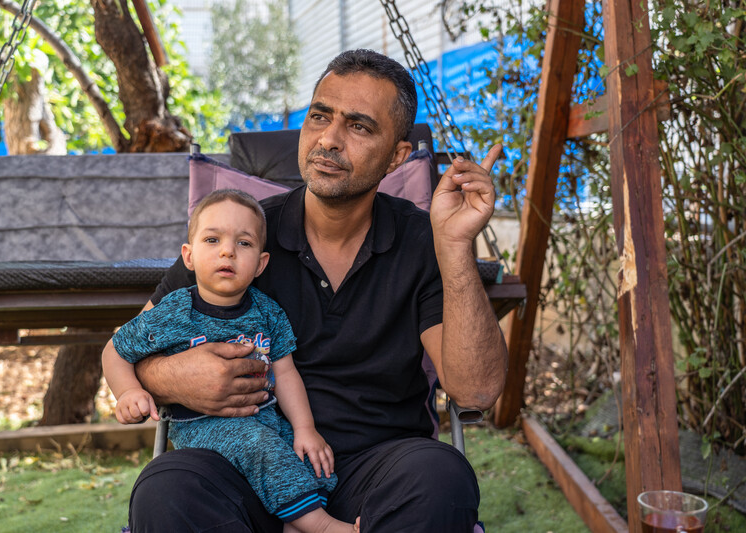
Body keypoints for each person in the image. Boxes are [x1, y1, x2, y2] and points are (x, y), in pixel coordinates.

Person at [102, 48, 508, 533]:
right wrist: (176, 378)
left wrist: (457, 246)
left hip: (378, 468)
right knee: (166, 487)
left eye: (358, 126)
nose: (329, 140)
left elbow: (477, 389)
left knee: (441, 477)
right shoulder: (242, 236)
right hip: (246, 465)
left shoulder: (426, 241)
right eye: (319, 116)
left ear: (398, 156)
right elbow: (132, 347)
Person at [103, 189, 359, 533]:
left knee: (307, 457)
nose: (227, 251)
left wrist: (304, 429)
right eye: (212, 239)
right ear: (189, 257)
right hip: (202, 426)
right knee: (259, 446)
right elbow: (116, 350)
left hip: (263, 420)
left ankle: (292, 524)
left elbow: (285, 373)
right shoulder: (175, 312)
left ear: (261, 264)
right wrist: (128, 392)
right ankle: (322, 527)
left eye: (244, 243)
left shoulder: (268, 312)